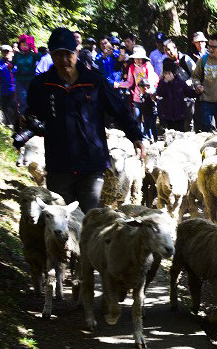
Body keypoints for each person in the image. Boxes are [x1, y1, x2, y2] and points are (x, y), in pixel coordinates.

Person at [22, 27, 143, 213]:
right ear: (51, 55)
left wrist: (136, 135)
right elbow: (33, 115)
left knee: (89, 221)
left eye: (67, 54)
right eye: (57, 54)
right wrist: (25, 121)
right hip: (59, 165)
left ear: (76, 51)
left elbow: (119, 109)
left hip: (91, 165)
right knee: (63, 221)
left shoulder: (94, 81)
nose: (63, 60)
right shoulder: (41, 85)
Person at [122, 46, 159, 141]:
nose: (138, 60)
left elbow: (150, 80)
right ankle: (140, 138)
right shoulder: (132, 67)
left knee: (148, 120)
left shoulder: (148, 66)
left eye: (140, 58)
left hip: (147, 97)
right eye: (136, 58)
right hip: (137, 96)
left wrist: (147, 90)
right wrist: (118, 84)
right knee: (137, 118)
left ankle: (150, 138)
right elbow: (130, 82)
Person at [155, 59, 198, 134]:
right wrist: (165, 82)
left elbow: (189, 92)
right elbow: (159, 93)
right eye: (165, 73)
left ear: (173, 73)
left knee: (180, 133)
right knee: (170, 133)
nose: (167, 75)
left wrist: (198, 92)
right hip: (168, 114)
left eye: (169, 73)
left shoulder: (180, 82)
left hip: (179, 114)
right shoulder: (162, 82)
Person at [164, 38, 197, 131]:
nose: (168, 52)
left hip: (187, 96)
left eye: (170, 49)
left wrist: (185, 84)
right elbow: (164, 77)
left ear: (176, 49)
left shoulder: (185, 59)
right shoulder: (166, 62)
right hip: (174, 97)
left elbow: (196, 75)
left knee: (188, 122)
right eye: (166, 50)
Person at [13, 34, 38, 121]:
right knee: (22, 100)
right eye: (22, 44)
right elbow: (12, 64)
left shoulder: (33, 55)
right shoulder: (17, 55)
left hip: (31, 80)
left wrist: (35, 50)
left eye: (26, 44)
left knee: (32, 99)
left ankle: (33, 117)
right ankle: (24, 120)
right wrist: (10, 66)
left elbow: (40, 57)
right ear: (20, 45)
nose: (24, 46)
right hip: (20, 81)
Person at [190, 31, 209, 131]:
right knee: (197, 112)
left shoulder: (211, 54)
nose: (200, 44)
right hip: (196, 88)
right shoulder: (192, 56)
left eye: (202, 42)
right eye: (198, 42)